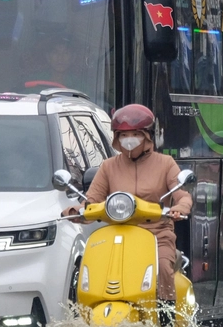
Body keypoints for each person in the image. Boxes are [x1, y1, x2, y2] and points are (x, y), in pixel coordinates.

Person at [66, 105, 193, 306]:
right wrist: (77, 211)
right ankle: (84, 314)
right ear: (117, 138)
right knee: (90, 267)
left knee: (161, 265)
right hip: (117, 234)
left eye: (136, 134)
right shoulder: (108, 166)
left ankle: (166, 313)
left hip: (157, 235)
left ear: (148, 136)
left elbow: (182, 195)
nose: (129, 139)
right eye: (124, 134)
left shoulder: (166, 163)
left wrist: (181, 208)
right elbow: (92, 200)